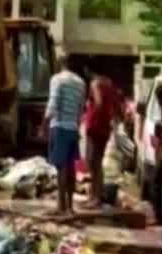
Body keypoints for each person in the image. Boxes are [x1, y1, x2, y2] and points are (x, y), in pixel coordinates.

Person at [42, 54, 86, 216]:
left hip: (59, 126)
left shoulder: (57, 79)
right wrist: (76, 125)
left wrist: (44, 125)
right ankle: (70, 207)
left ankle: (61, 207)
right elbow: (81, 107)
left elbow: (52, 103)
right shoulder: (81, 83)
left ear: (62, 63)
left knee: (61, 167)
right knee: (70, 166)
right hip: (73, 128)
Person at [82, 62, 118, 210]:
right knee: (97, 162)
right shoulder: (109, 83)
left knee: (93, 162)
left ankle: (96, 198)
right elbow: (115, 105)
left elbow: (98, 102)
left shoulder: (95, 83)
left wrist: (92, 122)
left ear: (91, 71)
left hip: (96, 128)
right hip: (104, 128)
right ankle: (94, 196)